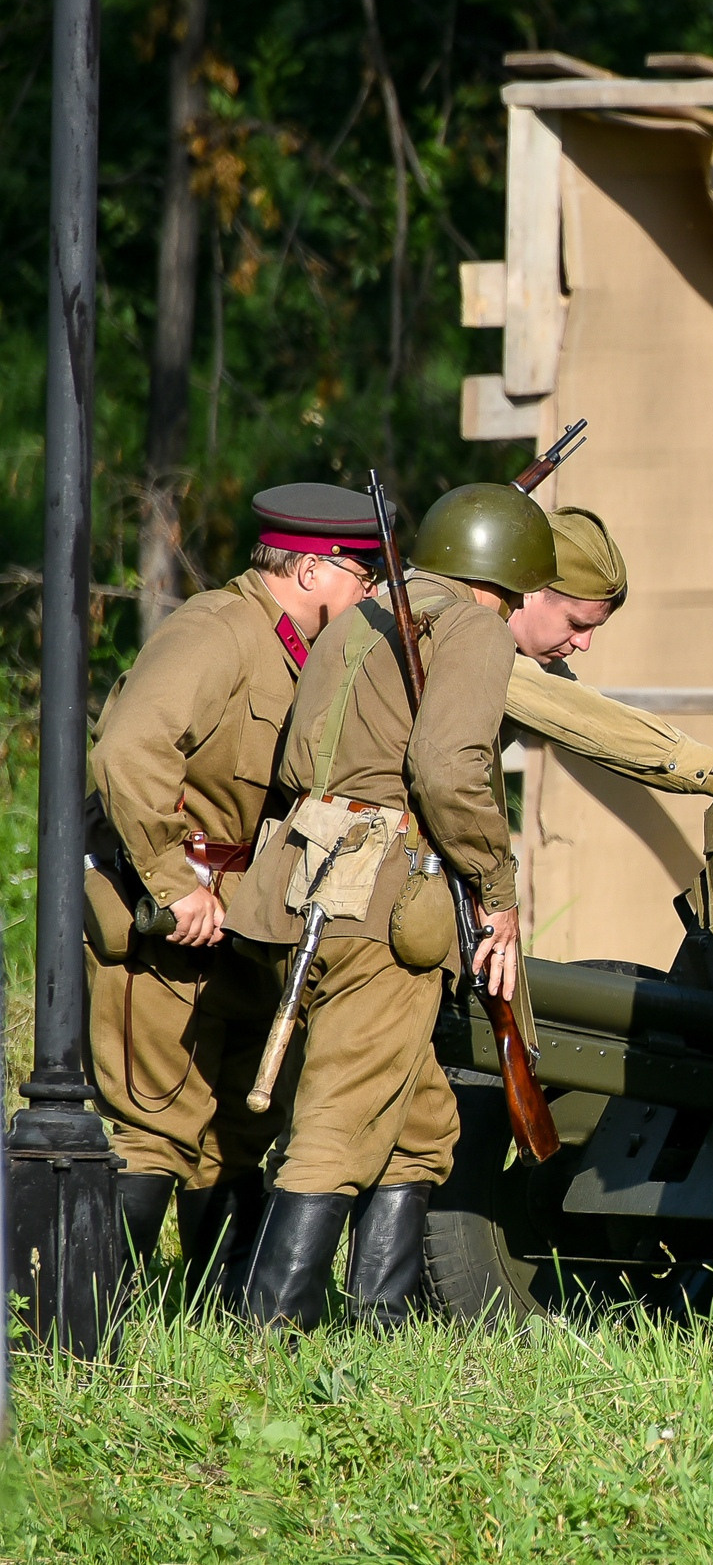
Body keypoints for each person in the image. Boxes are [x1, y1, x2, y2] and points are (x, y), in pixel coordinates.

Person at [224, 484, 554, 1330]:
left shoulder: (354, 620)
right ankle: (270, 1327)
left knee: (422, 1121)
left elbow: (299, 762)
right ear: (511, 578)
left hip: (304, 876)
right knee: (337, 1117)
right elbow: (448, 771)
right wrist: (496, 890)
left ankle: (382, 1320)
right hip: (383, 892)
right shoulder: (474, 626)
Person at [85, 483, 383, 1301]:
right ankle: (89, 1328)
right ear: (313, 570)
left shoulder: (305, 653)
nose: (369, 599)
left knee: (236, 1132)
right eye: (363, 579)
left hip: (247, 923)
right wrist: (173, 881)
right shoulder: (217, 631)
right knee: (155, 1122)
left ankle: (216, 1318)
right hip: (167, 915)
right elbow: (127, 751)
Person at [502, 505, 713, 799]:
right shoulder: (473, 638)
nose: (584, 644)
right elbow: (577, 714)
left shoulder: (530, 656)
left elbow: (598, 727)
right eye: (576, 624)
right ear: (529, 590)